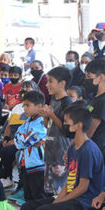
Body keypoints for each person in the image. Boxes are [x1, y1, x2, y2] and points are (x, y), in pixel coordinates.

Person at [40, 66, 73, 196]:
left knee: (58, 191)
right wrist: (45, 115)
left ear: (62, 84)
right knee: (48, 189)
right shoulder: (53, 99)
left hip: (61, 153)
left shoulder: (67, 103)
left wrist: (52, 115)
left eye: (50, 81)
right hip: (50, 149)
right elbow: (47, 125)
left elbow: (68, 130)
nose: (47, 85)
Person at [13, 90, 47, 202]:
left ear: (39, 106)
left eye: (27, 105)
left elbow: (25, 141)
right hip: (26, 164)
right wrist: (22, 138)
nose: (24, 108)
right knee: (28, 196)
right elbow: (17, 138)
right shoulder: (27, 121)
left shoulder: (42, 122)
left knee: (38, 196)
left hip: (38, 166)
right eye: (24, 105)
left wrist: (22, 138)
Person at [85, 58, 105, 159]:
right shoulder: (97, 98)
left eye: (89, 76)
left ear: (101, 77)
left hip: (96, 152)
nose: (86, 80)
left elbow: (89, 131)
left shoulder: (104, 100)